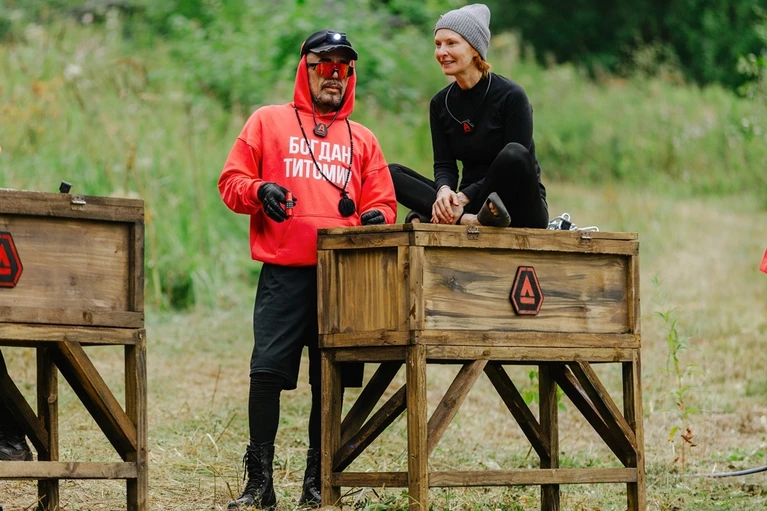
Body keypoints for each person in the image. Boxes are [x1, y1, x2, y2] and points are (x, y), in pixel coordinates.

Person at [218, 29, 397, 509]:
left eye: (343, 68)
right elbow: (231, 182)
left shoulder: (363, 139)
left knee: (329, 377)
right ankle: (259, 485)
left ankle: (318, 484)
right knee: (265, 373)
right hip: (284, 273)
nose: (334, 75)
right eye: (324, 65)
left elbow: (384, 202)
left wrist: (376, 217)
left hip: (342, 277)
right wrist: (260, 191)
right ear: (306, 69)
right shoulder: (268, 121)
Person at [389, 3, 548, 229]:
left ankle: (446, 215)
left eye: (451, 43)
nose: (441, 52)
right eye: (438, 44)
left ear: (474, 49)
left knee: (513, 153)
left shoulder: (511, 96)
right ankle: (464, 219)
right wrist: (444, 191)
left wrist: (463, 197)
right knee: (390, 173)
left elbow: (518, 165)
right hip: (471, 206)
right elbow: (445, 165)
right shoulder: (440, 103)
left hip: (517, 205)